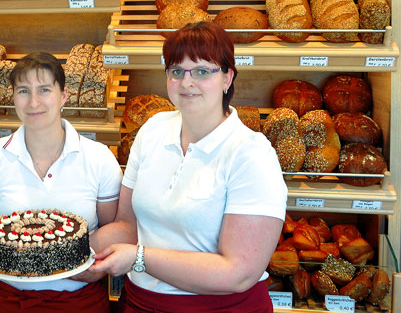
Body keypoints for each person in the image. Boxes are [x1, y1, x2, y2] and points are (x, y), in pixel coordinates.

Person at [89, 21, 288, 312]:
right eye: (176, 71)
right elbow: (128, 226)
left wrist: (139, 258)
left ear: (227, 78)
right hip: (140, 303)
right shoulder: (153, 130)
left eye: (202, 71)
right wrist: (70, 254)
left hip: (220, 308)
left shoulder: (250, 154)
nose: (186, 82)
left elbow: (238, 273)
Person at [0, 52, 123, 313]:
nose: (34, 102)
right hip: (8, 301)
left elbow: (115, 230)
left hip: (81, 301)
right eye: (24, 91)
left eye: (44, 90)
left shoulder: (99, 157)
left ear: (64, 96)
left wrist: (86, 268)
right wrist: (17, 264)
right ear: (13, 97)